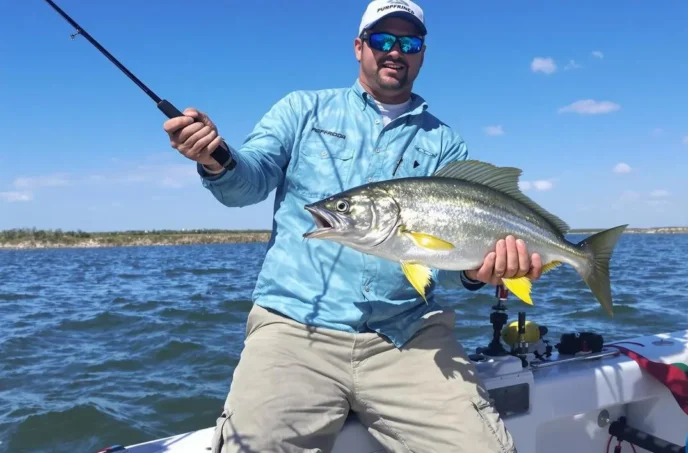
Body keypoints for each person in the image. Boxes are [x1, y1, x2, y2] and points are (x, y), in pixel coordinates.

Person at [163, 1, 542, 451]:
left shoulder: (444, 142)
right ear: (359, 47)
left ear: (422, 53)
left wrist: (483, 271)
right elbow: (248, 183)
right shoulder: (302, 110)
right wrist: (214, 157)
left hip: (409, 335)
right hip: (295, 329)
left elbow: (454, 256)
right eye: (383, 40)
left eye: (409, 42)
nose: (395, 51)